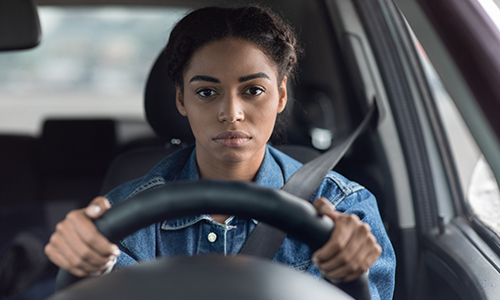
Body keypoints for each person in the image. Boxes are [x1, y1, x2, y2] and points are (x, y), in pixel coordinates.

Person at [44, 6, 396, 300]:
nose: (232, 113)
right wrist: (86, 263)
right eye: (207, 93)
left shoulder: (344, 210)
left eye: (253, 90)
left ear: (282, 96)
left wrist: (348, 271)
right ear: (181, 99)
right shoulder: (124, 218)